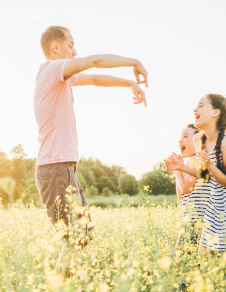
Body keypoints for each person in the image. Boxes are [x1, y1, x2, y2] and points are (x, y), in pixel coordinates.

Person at [33, 25, 148, 275]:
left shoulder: (59, 77)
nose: (75, 51)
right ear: (56, 47)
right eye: (71, 45)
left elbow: (94, 78)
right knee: (74, 236)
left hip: (64, 167)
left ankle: (63, 289)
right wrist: (134, 61)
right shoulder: (53, 69)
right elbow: (94, 62)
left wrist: (129, 83)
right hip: (54, 168)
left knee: (82, 234)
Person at [166, 94, 226, 252]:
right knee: (205, 259)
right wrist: (180, 167)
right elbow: (205, 176)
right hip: (214, 204)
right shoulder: (198, 139)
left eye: (201, 106)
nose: (195, 109)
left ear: (216, 112)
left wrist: (209, 165)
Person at [165, 124, 211, 251]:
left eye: (185, 136)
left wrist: (177, 170)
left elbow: (186, 189)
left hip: (195, 221)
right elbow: (181, 195)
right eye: (180, 136)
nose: (180, 140)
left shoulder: (195, 159)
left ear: (198, 141)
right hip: (195, 220)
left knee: (181, 263)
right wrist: (178, 169)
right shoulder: (191, 162)